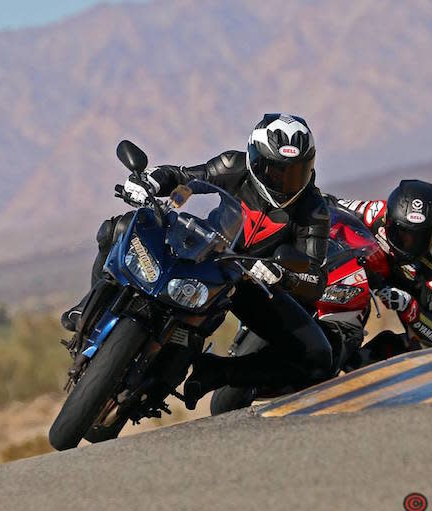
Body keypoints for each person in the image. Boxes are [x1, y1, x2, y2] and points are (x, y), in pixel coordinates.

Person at [63, 113, 332, 409]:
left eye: (296, 171)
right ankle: (87, 307)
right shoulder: (233, 165)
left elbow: (316, 277)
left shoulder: (313, 209)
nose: (285, 181)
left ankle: (217, 371)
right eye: (276, 171)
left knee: (317, 356)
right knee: (120, 227)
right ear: (255, 159)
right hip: (199, 246)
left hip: (245, 281)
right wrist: (152, 182)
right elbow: (186, 178)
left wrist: (284, 276)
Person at [325, 180, 432, 368]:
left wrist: (408, 306)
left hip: (411, 291)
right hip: (370, 271)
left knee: (425, 348)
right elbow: (328, 204)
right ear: (388, 219)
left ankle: (362, 366)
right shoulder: (374, 212)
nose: (407, 244)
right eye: (400, 233)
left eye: (418, 238)